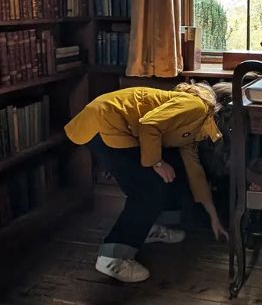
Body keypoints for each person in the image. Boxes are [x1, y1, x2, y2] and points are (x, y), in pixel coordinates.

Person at [65, 83, 229, 283]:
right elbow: (149, 124)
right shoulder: (197, 107)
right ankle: (113, 257)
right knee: (147, 189)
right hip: (106, 122)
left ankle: (149, 226)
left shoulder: (197, 127)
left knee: (171, 170)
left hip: (116, 127)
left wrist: (213, 216)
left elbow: (195, 173)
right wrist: (157, 163)